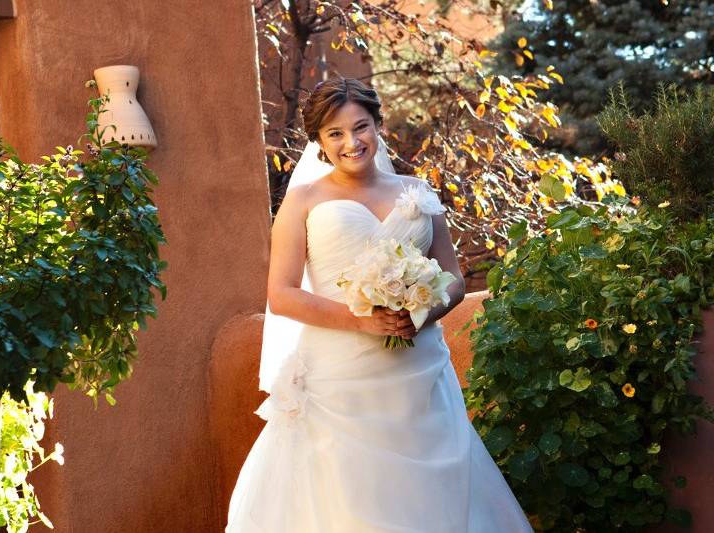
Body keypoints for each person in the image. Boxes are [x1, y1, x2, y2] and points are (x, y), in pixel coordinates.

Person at [226, 77, 533, 532]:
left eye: (361, 127)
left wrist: (420, 309)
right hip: (340, 379)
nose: (352, 142)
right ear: (320, 142)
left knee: (436, 502)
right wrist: (363, 322)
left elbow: (452, 279)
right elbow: (282, 294)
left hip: (420, 374)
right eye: (335, 133)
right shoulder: (303, 201)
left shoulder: (417, 192)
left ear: (377, 125)